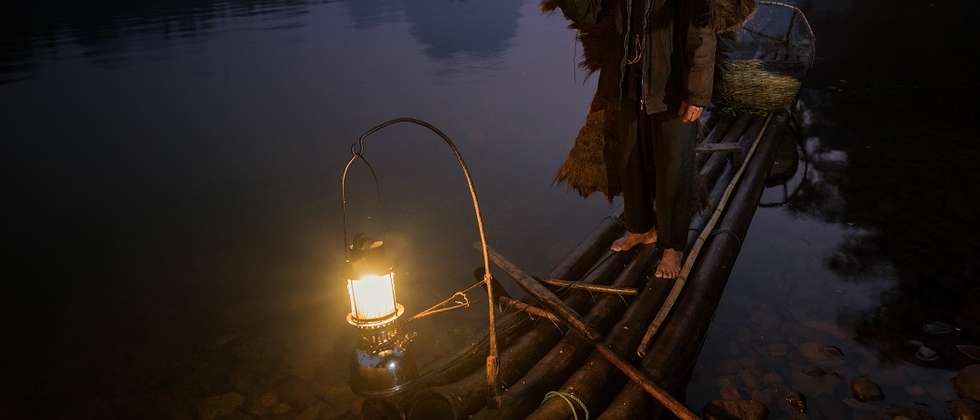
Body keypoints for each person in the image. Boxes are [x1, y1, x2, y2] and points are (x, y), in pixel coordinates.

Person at [546, 0, 754, 278]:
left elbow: (702, 34)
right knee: (631, 158)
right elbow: (594, 13)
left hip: (672, 87)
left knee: (673, 167)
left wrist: (697, 94)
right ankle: (641, 228)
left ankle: (672, 246)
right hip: (628, 83)